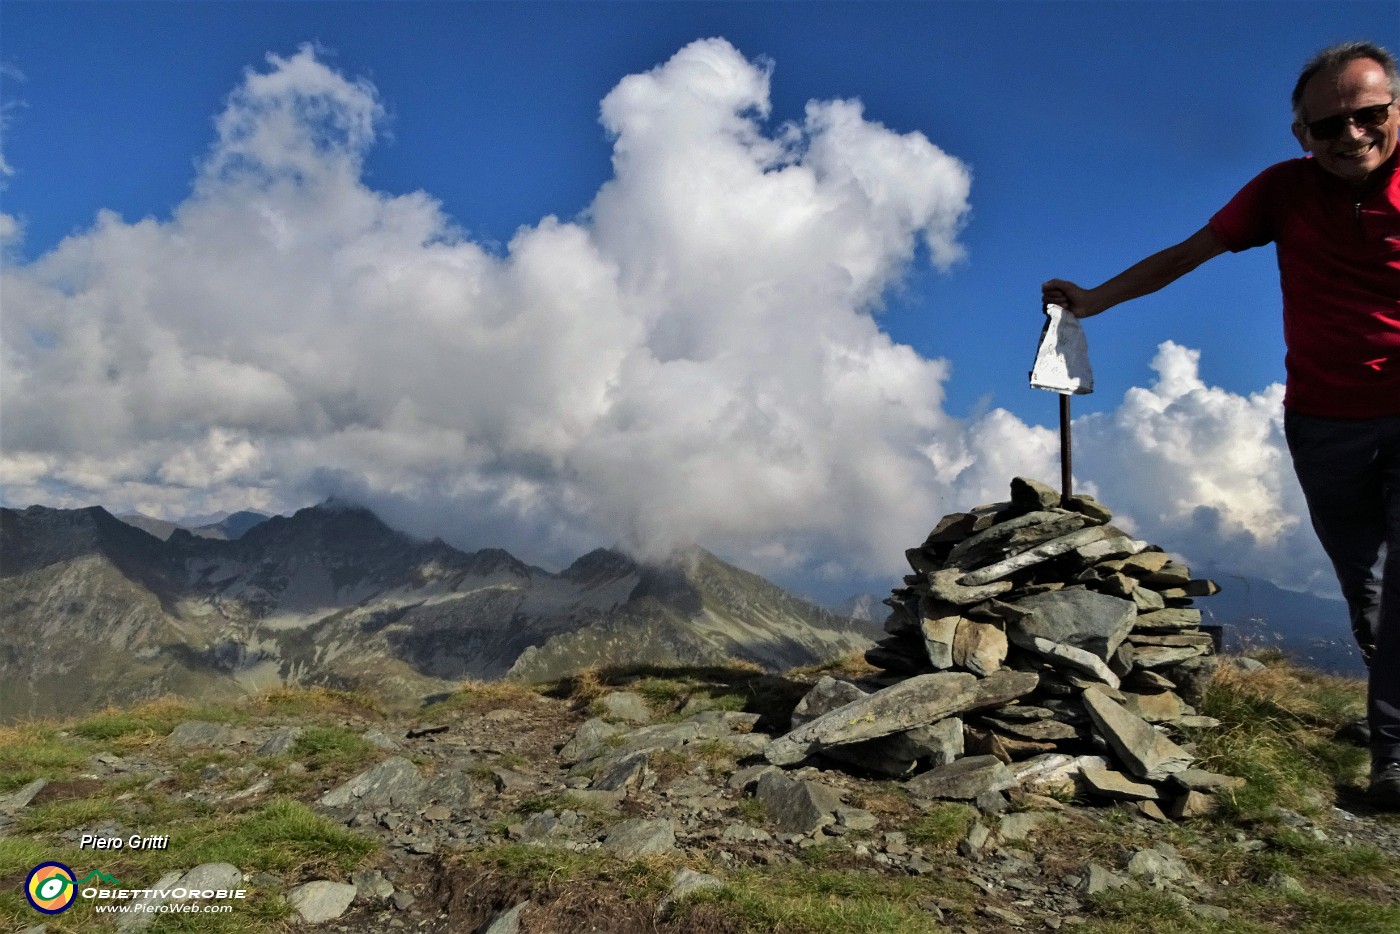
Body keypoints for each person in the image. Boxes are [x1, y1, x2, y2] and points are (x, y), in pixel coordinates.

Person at [1042, 41, 1400, 809]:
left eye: (1370, 115)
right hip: (1324, 418)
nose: (1352, 135)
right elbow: (1189, 254)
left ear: (1394, 110)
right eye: (1329, 123)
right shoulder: (1282, 192)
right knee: (1366, 588)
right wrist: (1096, 300)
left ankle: (1394, 758)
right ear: (1301, 133)